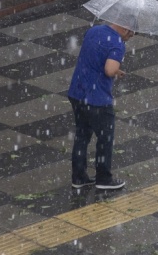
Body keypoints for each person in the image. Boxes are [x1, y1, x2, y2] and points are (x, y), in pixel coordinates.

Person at [67, 22, 135, 190]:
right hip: (97, 99)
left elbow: (94, 57)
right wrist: (116, 69)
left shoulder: (94, 30)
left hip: (77, 92)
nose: (130, 37)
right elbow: (109, 70)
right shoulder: (117, 44)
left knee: (82, 136)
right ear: (126, 27)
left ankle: (79, 177)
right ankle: (104, 179)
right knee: (105, 139)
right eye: (132, 33)